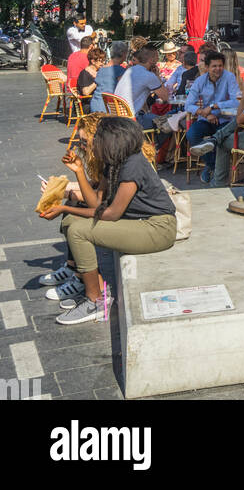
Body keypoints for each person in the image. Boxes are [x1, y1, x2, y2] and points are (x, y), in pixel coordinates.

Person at [38, 117, 177, 325]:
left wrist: (64, 206)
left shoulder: (133, 165)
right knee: (71, 221)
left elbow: (112, 213)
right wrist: (79, 172)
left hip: (157, 228)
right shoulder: (113, 163)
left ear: (112, 140)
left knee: (78, 231)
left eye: (98, 138)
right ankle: (94, 286)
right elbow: (96, 203)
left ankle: (95, 302)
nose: (93, 143)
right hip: (138, 223)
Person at [190, 60, 244, 186]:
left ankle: (218, 182)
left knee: (223, 142)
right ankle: (215, 138)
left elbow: (239, 120)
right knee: (228, 131)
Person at [185, 52, 239, 153]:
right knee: (191, 134)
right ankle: (212, 165)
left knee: (221, 140)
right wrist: (204, 114)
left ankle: (213, 167)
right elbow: (188, 105)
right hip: (206, 120)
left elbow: (236, 101)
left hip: (225, 120)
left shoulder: (229, 77)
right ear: (207, 67)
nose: (218, 69)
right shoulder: (200, 81)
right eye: (214, 66)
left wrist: (214, 106)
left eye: (220, 66)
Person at [115, 45, 170, 128]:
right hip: (132, 121)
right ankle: (152, 141)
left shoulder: (130, 70)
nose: (158, 60)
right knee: (169, 122)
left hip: (118, 118)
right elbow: (166, 97)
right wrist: (157, 76)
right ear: (151, 60)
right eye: (157, 57)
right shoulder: (148, 75)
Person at [90, 41, 129, 114]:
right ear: (123, 54)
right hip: (110, 107)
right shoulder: (120, 71)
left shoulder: (101, 69)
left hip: (95, 103)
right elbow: (124, 90)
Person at [75, 47, 106, 112]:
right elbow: (86, 92)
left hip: (100, 100)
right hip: (88, 104)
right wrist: (97, 81)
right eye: (101, 61)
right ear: (93, 61)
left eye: (104, 61)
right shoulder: (84, 74)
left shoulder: (100, 71)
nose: (103, 63)